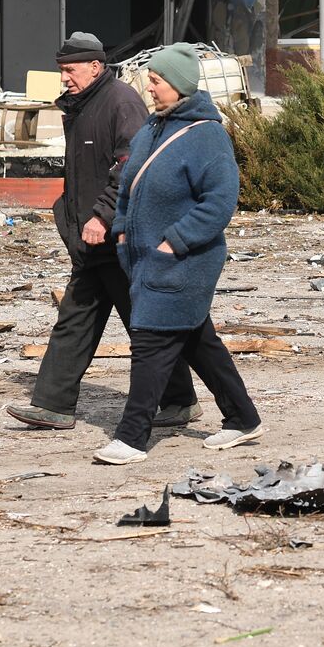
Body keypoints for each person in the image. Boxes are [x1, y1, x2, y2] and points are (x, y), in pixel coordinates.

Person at [5, 32, 199, 431]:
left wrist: (103, 216)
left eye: (70, 70)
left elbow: (130, 165)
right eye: (61, 71)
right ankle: (53, 405)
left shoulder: (119, 102)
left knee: (144, 323)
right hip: (90, 239)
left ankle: (180, 401)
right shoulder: (83, 105)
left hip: (117, 236)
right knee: (76, 319)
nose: (64, 79)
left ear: (95, 67)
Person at [93, 43, 264, 465]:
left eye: (156, 81)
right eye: (150, 80)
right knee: (197, 340)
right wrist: (119, 230)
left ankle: (132, 438)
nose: (149, 88)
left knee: (150, 342)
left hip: (184, 260)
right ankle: (243, 418)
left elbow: (220, 201)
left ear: (179, 85)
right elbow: (129, 183)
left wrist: (175, 241)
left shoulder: (207, 135)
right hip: (143, 258)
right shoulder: (154, 127)